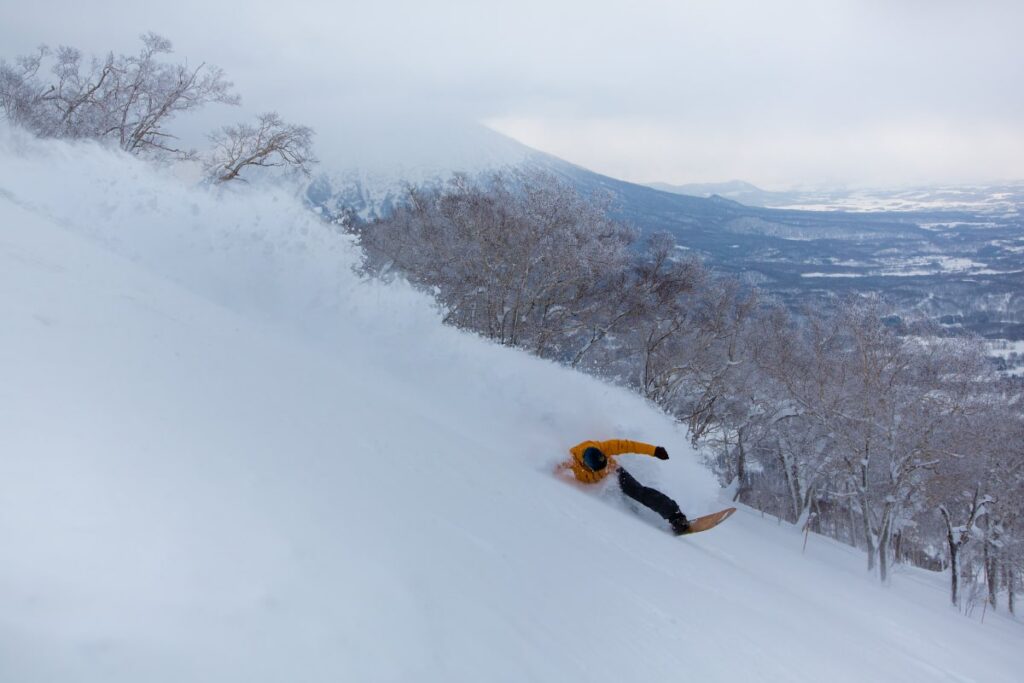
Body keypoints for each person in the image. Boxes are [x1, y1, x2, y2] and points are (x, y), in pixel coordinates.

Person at [556, 439, 691, 535]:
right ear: (586, 464)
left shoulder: (604, 447)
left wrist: (654, 450)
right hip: (595, 488)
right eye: (598, 469)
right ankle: (639, 519)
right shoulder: (570, 459)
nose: (602, 469)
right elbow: (552, 470)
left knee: (638, 491)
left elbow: (630, 445)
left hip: (614, 474)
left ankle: (676, 517)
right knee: (625, 508)